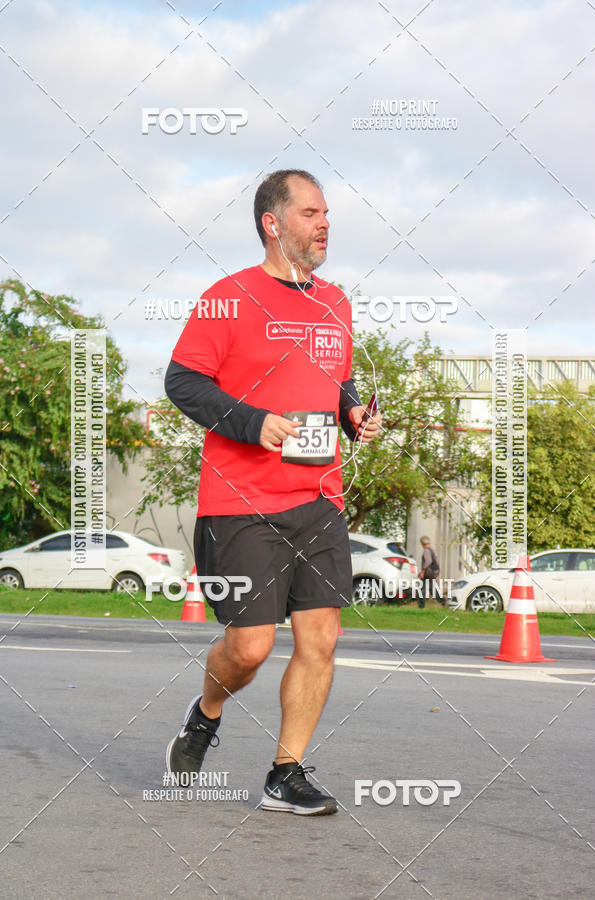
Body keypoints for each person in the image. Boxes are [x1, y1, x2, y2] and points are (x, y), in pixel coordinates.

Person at [163, 169, 382, 816]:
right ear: (273, 222)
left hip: (318, 498)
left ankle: (286, 773)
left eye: (326, 214)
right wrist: (254, 423)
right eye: (312, 213)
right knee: (251, 647)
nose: (324, 224)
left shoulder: (335, 303)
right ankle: (205, 714)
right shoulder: (228, 298)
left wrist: (353, 416)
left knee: (322, 639)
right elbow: (183, 383)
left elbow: (331, 385)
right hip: (240, 501)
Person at [417, 536, 443, 608]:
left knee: (422, 589)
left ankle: (421, 607)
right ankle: (443, 602)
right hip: (433, 573)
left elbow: (428, 561)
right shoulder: (432, 549)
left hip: (428, 573)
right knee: (432, 589)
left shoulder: (426, 550)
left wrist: (422, 571)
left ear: (422, 543)